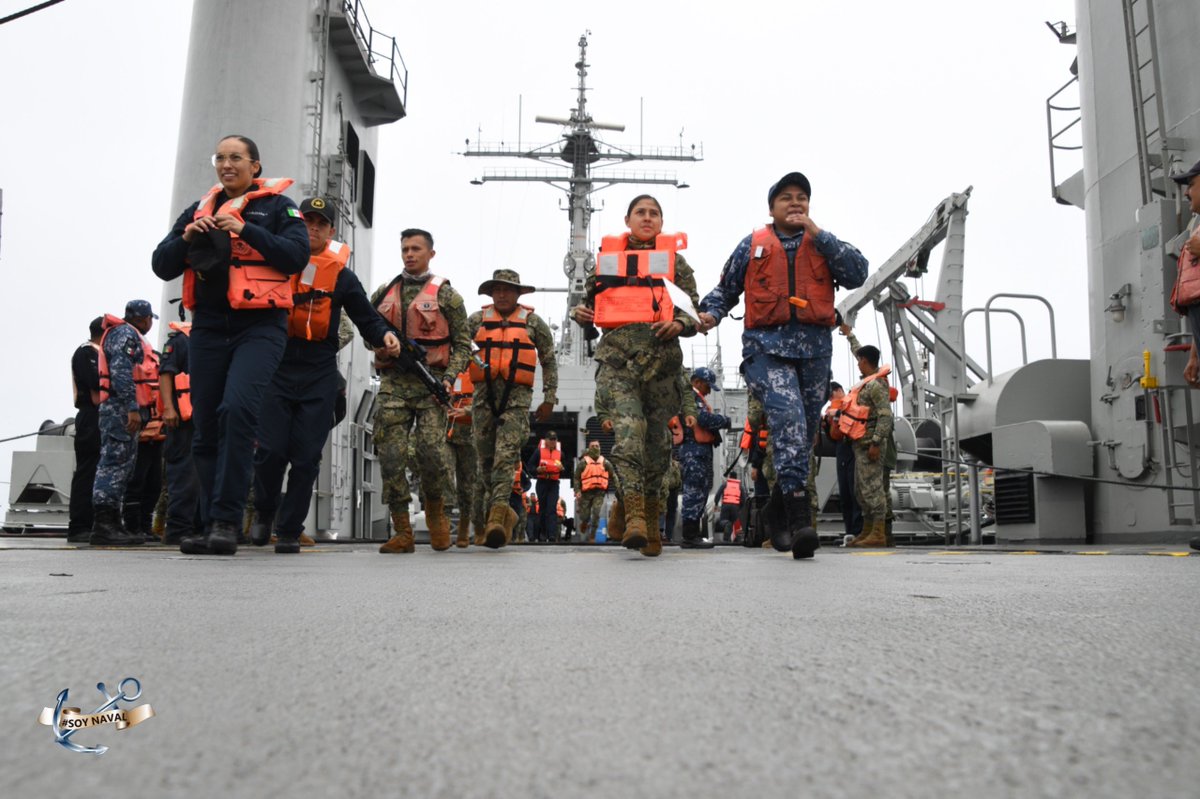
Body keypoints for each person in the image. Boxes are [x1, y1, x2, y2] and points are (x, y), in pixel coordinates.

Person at [152, 134, 310, 555]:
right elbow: (160, 263)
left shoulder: (280, 207)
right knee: (204, 426)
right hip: (207, 328)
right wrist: (187, 236)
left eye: (236, 157)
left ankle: (226, 521)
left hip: (259, 327)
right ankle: (208, 525)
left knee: (237, 410)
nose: (226, 164)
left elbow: (296, 257)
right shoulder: (198, 208)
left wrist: (245, 228)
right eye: (220, 157)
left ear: (254, 167)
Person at [698, 171, 868, 559]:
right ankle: (797, 517)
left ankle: (777, 507)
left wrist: (819, 234)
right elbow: (726, 289)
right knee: (789, 420)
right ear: (771, 207)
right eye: (787, 197)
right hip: (766, 349)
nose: (795, 203)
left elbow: (858, 272)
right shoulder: (753, 245)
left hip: (813, 352)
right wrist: (709, 315)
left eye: (802, 197)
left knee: (803, 435)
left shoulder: (823, 243)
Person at [248, 197, 399, 554]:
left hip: (318, 369)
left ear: (331, 231)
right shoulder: (275, 264)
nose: (313, 228)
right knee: (270, 450)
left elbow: (367, 317)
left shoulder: (342, 277)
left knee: (306, 456)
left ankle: (288, 529)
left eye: (321, 224)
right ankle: (265, 510)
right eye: (307, 221)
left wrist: (384, 336)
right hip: (277, 364)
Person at [572, 194, 700, 557]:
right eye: (640, 213)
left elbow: (694, 310)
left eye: (654, 213)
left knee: (658, 449)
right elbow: (588, 306)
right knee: (629, 437)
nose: (648, 218)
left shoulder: (676, 263)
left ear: (662, 222)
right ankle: (636, 519)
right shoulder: (606, 263)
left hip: (661, 364)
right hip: (618, 362)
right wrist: (581, 314)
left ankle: (642, 515)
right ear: (627, 219)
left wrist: (680, 323)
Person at [371, 229, 472, 554]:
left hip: (432, 385)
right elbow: (367, 328)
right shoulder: (384, 292)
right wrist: (380, 347)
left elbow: (462, 344)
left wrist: (450, 377)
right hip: (393, 386)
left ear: (431, 253)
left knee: (431, 455)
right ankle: (402, 530)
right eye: (405, 249)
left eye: (416, 249)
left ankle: (436, 509)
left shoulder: (447, 296)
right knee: (390, 456)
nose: (409, 254)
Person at [466, 269, 557, 547]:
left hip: (516, 400)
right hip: (483, 398)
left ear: (518, 293)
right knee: (484, 461)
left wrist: (549, 397)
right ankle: (491, 521)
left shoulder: (533, 323)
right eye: (496, 290)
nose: (502, 294)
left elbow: (549, 359)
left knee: (506, 457)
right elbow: (458, 348)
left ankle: (497, 517)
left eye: (507, 289)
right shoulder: (476, 320)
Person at [89, 300, 158, 546]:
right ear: (144, 318)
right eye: (150, 318)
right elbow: (121, 371)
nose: (151, 323)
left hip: (122, 410)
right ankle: (104, 524)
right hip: (120, 410)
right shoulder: (126, 335)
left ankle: (113, 523)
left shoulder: (123, 333)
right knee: (114, 465)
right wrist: (132, 407)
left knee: (123, 467)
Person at [841, 345, 896, 548]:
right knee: (861, 490)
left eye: (860, 359)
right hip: (859, 444)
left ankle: (879, 532)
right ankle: (868, 530)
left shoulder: (876, 385)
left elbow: (885, 415)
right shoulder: (866, 384)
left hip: (870, 446)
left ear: (865, 361)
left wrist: (876, 443)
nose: (857, 363)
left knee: (873, 489)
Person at [675, 366, 731, 548]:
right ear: (697, 382)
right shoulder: (690, 398)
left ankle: (693, 535)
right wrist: (724, 421)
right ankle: (689, 536)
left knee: (701, 490)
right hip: (693, 452)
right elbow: (703, 419)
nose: (708, 392)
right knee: (693, 491)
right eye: (707, 386)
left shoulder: (695, 397)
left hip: (700, 452)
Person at [157, 318, 201, 546]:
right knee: (183, 474)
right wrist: (169, 408)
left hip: (204, 421)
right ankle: (177, 529)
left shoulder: (209, 340)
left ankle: (195, 527)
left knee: (200, 477)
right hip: (183, 421)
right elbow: (166, 372)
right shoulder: (182, 340)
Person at [67, 316, 104, 543]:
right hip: (91, 415)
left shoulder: (102, 354)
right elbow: (94, 380)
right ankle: (79, 525)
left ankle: (96, 523)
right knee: (88, 471)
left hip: (106, 417)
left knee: (102, 471)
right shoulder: (86, 352)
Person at [447, 369, 485, 547]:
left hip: (470, 434)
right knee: (444, 475)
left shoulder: (480, 368)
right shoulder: (448, 368)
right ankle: (443, 526)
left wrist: (468, 411)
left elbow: (488, 400)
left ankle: (464, 528)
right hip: (446, 431)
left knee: (468, 484)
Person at [824, 378, 862, 543]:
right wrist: (828, 424)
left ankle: (858, 531)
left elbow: (858, 419)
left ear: (839, 391)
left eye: (831, 396)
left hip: (853, 448)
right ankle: (850, 531)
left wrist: (839, 414)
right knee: (845, 493)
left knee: (855, 492)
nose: (832, 400)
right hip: (841, 449)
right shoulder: (832, 410)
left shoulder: (853, 403)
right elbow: (834, 437)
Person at [572, 441, 616, 542]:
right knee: (585, 515)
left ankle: (592, 536)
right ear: (589, 448)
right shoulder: (583, 462)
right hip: (586, 493)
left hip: (599, 492)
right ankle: (584, 522)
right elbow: (576, 477)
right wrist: (577, 490)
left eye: (597, 446)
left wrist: (618, 488)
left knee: (596, 513)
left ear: (600, 447)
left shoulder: (605, 462)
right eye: (592, 446)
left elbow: (613, 475)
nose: (595, 447)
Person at [527, 431, 565, 544]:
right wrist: (537, 470)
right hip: (542, 482)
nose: (553, 441)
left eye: (555, 439)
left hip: (553, 483)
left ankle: (552, 535)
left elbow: (567, 468)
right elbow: (530, 466)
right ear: (546, 440)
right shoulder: (538, 452)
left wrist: (562, 468)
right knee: (542, 509)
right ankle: (542, 534)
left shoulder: (560, 454)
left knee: (552, 509)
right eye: (551, 439)